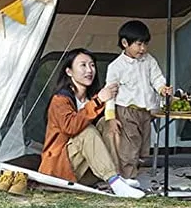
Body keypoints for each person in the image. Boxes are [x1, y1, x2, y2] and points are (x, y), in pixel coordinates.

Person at [38, 49, 144, 198]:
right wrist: (99, 100)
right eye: (83, 65)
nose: (89, 70)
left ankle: (116, 178)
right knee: (86, 131)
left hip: (87, 172)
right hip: (60, 171)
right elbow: (71, 127)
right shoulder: (60, 100)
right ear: (69, 71)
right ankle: (115, 183)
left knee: (107, 124)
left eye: (92, 65)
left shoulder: (90, 98)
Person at [103, 19, 172, 179]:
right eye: (139, 44)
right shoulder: (116, 66)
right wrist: (111, 117)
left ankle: (133, 172)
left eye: (145, 44)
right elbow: (110, 93)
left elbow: (157, 77)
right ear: (125, 43)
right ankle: (128, 178)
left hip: (145, 111)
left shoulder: (148, 60)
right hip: (126, 111)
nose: (143, 49)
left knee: (142, 147)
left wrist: (162, 88)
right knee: (129, 146)